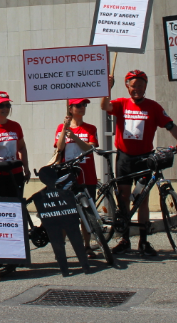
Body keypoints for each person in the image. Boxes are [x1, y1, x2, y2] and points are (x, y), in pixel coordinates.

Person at [101, 70, 177, 256]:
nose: (137, 89)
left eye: (140, 85)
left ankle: (143, 241)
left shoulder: (153, 107)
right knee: (123, 198)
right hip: (124, 158)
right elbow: (104, 106)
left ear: (145, 86)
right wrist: (107, 88)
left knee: (142, 200)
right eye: (133, 86)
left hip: (144, 158)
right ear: (127, 87)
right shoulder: (122, 103)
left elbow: (170, 125)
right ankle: (124, 239)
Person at [54, 98, 100, 258]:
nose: (82, 108)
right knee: (67, 214)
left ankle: (86, 246)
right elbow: (59, 148)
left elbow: (90, 148)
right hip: (67, 177)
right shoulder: (61, 127)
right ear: (70, 108)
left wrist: (75, 137)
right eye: (78, 105)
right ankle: (61, 248)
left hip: (87, 176)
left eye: (84, 105)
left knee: (87, 214)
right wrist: (65, 130)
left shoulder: (91, 128)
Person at [0, 91, 31, 198]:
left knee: (17, 206)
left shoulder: (15, 126)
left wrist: (26, 167)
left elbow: (22, 148)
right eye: (1, 105)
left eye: (8, 105)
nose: (5, 109)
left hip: (15, 173)